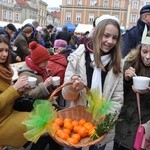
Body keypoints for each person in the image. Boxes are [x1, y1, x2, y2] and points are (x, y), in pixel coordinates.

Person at [62, 14, 124, 150]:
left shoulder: (117, 64)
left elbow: (117, 99)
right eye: (106, 35)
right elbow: (67, 96)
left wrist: (103, 121)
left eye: (114, 37)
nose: (110, 41)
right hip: (75, 124)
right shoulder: (77, 58)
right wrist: (73, 88)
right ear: (96, 34)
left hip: (99, 127)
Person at [113, 25, 150, 150]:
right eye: (144, 51)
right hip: (123, 123)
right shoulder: (129, 63)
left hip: (143, 127)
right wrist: (126, 79)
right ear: (139, 49)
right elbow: (116, 94)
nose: (148, 56)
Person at [0, 35, 30, 148]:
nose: (4, 54)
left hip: (8, 115)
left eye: (7, 50)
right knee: (39, 123)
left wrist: (20, 90)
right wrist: (14, 89)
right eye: (0, 50)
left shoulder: (5, 70)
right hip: (2, 122)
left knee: (41, 121)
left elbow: (7, 96)